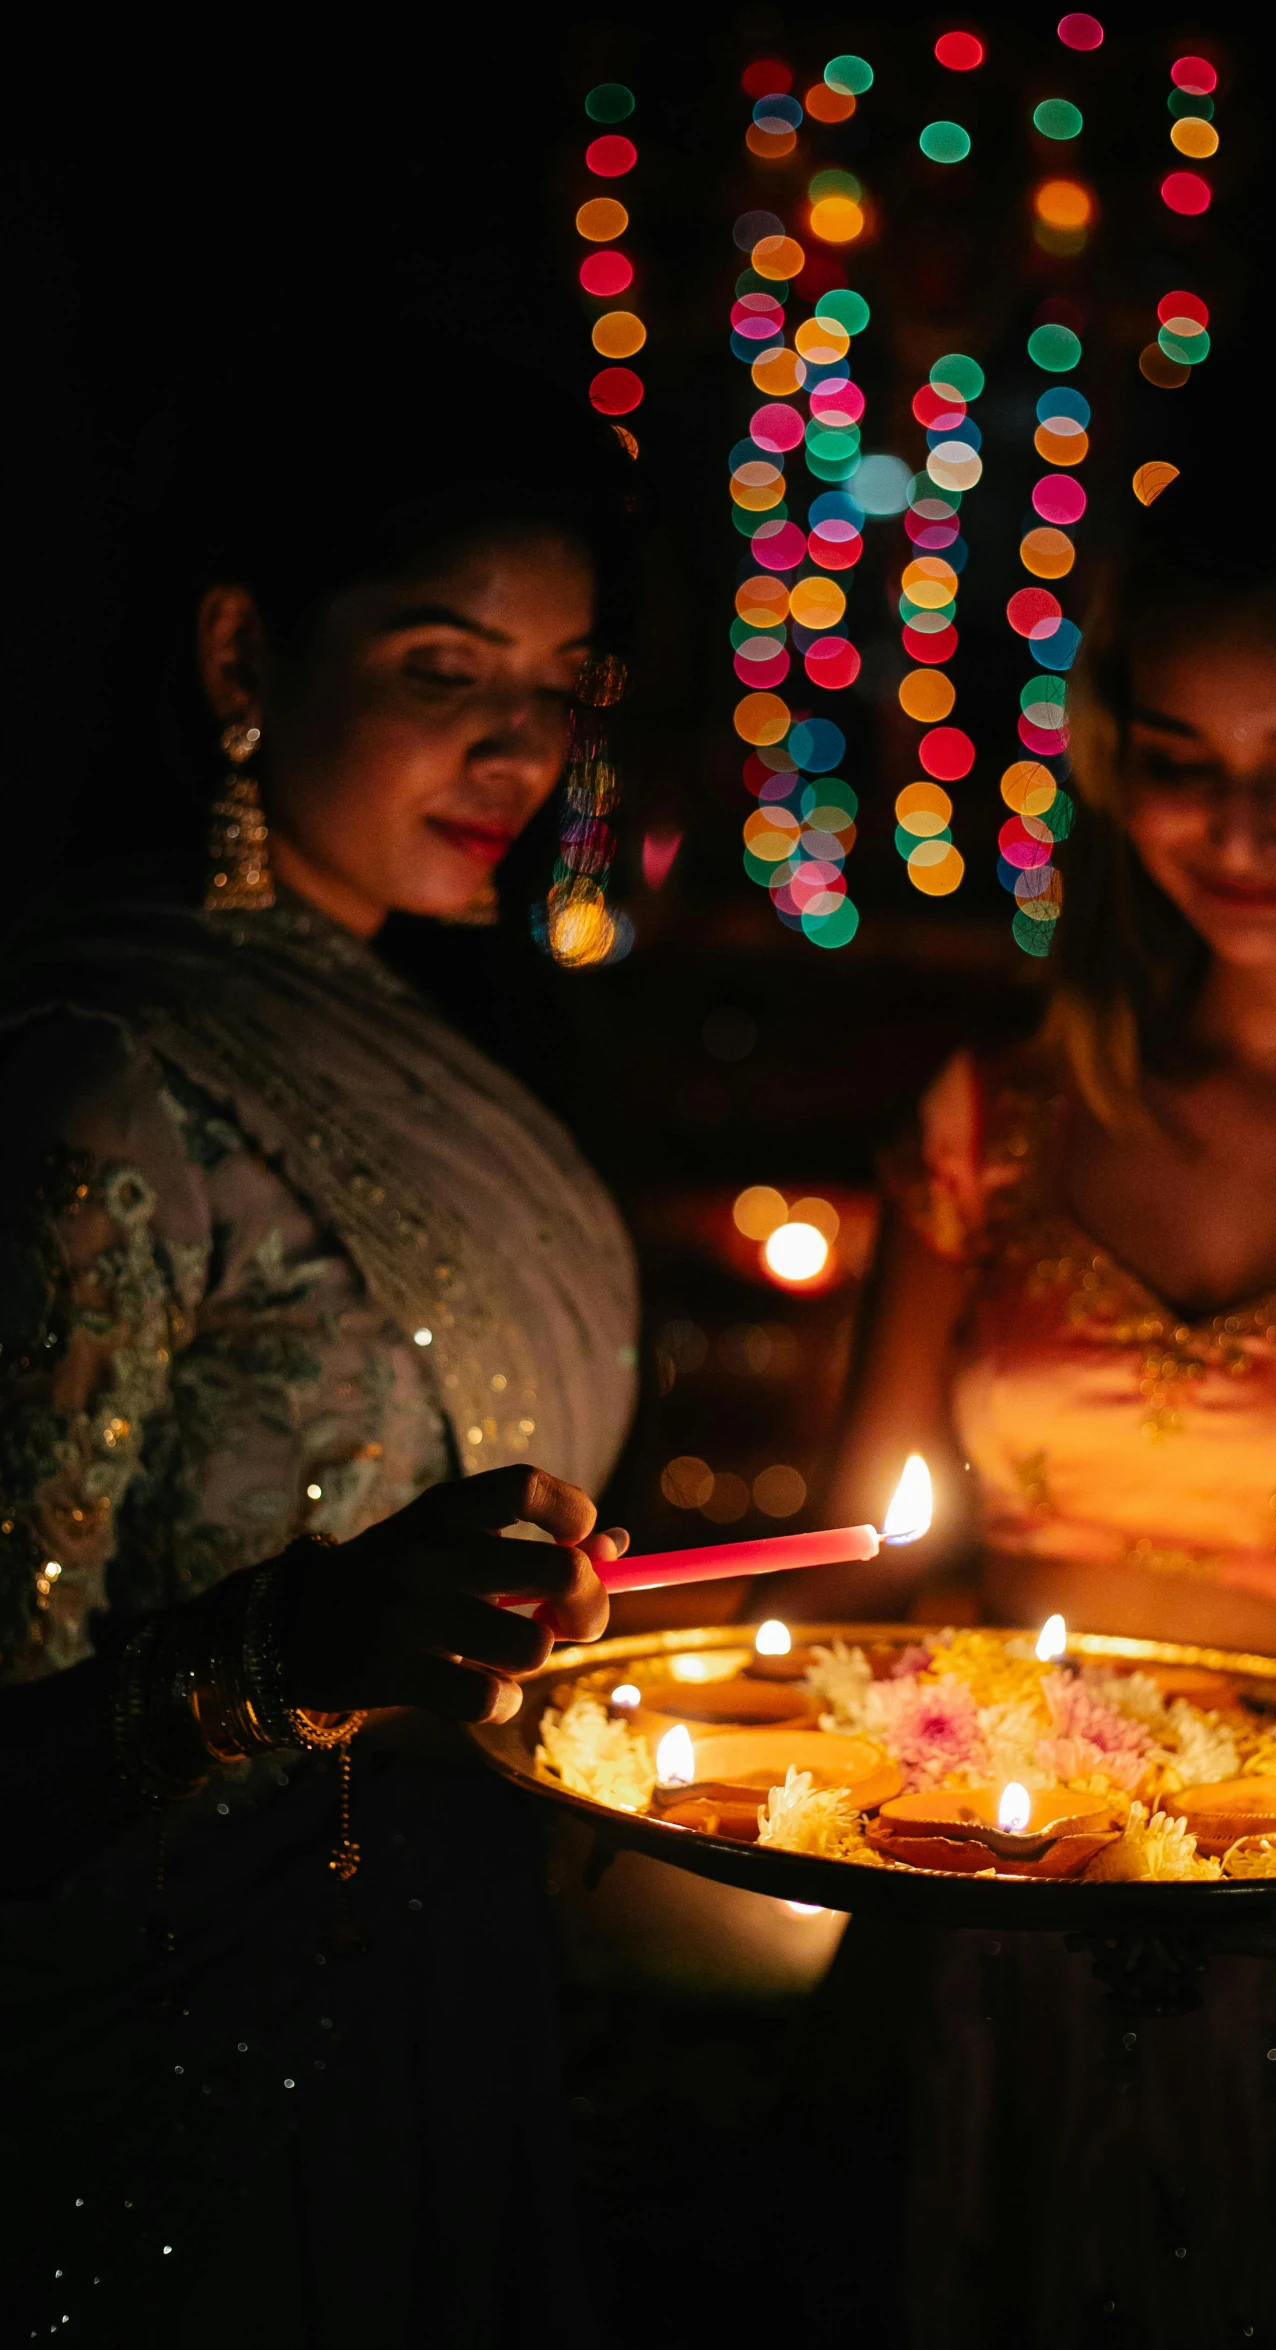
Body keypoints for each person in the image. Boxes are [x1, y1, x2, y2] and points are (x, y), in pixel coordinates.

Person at [790, 458, 1276, 2344]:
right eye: (1182, 757)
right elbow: (856, 1571)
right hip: (997, 1946)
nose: (1244, 827)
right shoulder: (997, 1129)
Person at [0, 354, 639, 2346]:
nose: (518, 747)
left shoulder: (426, 1029)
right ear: (241, 649)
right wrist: (296, 1651)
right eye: (451, 668)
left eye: (559, 686)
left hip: (429, 2014)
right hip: (156, 2083)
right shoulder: (105, 1079)